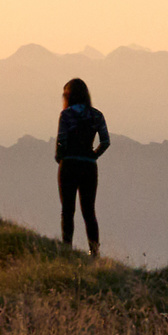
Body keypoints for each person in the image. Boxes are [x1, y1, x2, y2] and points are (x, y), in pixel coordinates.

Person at [54, 78, 111, 255]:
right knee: (89, 211)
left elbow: (61, 141)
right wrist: (93, 155)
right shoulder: (97, 115)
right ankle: (94, 253)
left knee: (67, 210)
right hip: (89, 167)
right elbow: (105, 141)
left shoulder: (66, 115)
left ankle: (66, 249)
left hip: (69, 165)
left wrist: (60, 157)